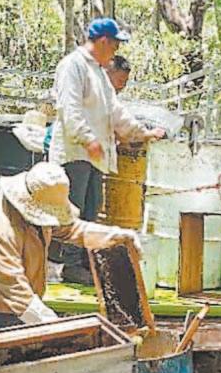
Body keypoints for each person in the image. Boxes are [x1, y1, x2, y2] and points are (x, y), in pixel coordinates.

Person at [0, 161, 140, 334]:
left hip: (16, 308)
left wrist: (117, 236)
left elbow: (71, 228)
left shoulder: (35, 201)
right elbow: (17, 295)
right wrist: (59, 329)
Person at [49, 18, 164, 284]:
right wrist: (88, 139)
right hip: (75, 153)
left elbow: (116, 111)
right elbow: (69, 109)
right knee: (73, 210)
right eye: (114, 45)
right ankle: (69, 264)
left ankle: (85, 263)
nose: (115, 52)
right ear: (103, 42)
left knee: (91, 210)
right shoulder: (72, 66)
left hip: (93, 156)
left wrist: (140, 132)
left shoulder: (99, 73)